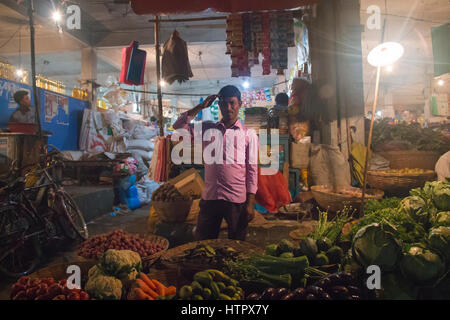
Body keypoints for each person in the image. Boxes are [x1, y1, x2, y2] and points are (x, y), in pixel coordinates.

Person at [173, 85, 258, 241]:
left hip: (236, 199)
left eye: (232, 103)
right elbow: (178, 128)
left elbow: (252, 171)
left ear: (239, 103)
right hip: (211, 197)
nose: (228, 107)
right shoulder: (207, 129)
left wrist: (250, 203)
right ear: (218, 105)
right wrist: (200, 107)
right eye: (224, 103)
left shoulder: (248, 134)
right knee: (204, 243)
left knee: (237, 244)